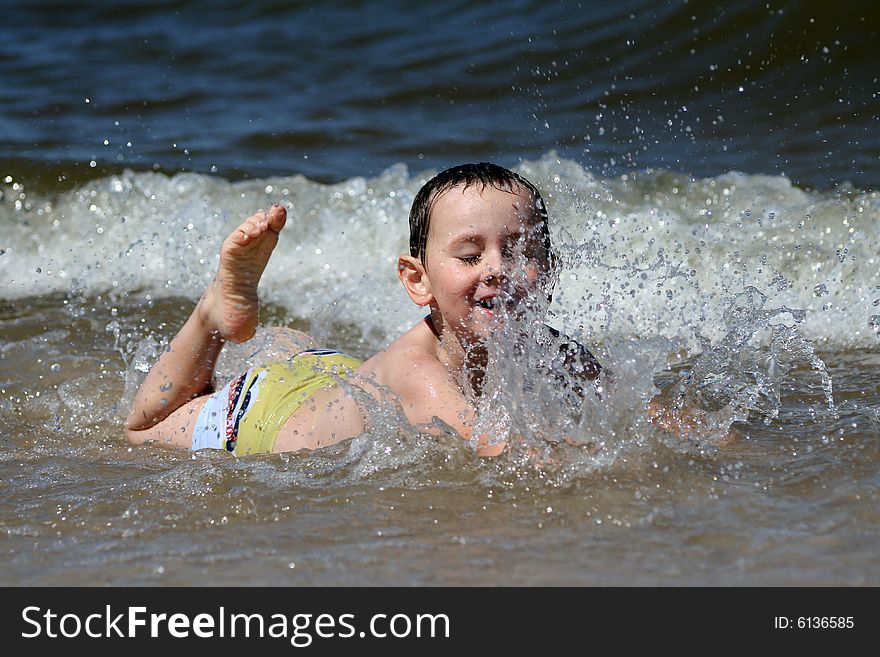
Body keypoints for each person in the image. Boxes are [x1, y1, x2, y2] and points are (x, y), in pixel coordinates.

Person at [125, 163, 602, 457]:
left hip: (330, 373)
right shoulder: (420, 373)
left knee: (296, 352)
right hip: (259, 418)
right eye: (470, 256)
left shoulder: (554, 351)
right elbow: (502, 454)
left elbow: (638, 413)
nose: (499, 269)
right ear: (419, 281)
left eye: (520, 253)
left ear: (551, 273)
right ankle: (211, 312)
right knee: (142, 432)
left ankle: (252, 333)